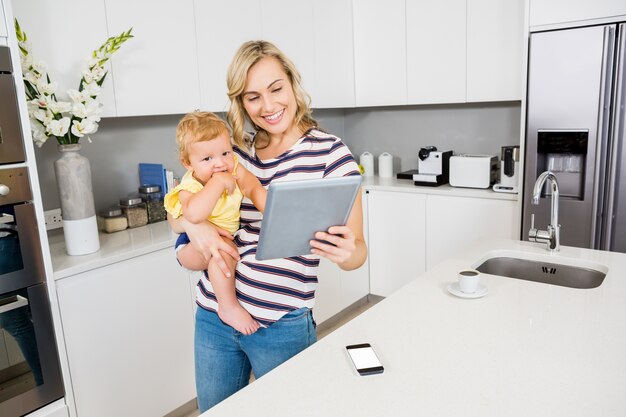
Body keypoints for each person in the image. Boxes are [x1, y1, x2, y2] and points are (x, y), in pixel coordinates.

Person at [169, 40, 367, 412]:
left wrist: (347, 252)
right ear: (240, 102)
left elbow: (358, 253)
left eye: (276, 89)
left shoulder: (331, 153)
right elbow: (179, 208)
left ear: (293, 84)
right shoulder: (230, 150)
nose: (269, 106)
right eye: (253, 97)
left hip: (281, 324)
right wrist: (197, 229)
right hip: (214, 314)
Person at [164, 111, 266, 335]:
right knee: (223, 251)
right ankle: (227, 307)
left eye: (225, 153)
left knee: (224, 247)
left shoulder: (234, 166)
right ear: (187, 163)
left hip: (223, 234)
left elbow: (252, 187)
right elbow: (193, 215)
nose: (220, 163)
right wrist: (219, 182)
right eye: (207, 159)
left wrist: (269, 208)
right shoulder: (189, 186)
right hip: (189, 243)